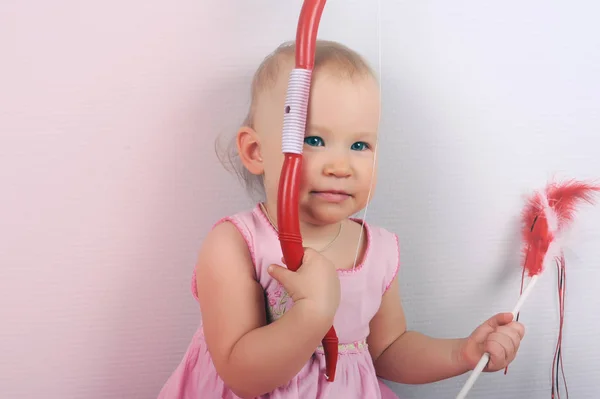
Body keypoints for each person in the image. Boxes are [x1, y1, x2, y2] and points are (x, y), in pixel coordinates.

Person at [157, 40, 525, 399]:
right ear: (256, 152)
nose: (341, 167)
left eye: (360, 146)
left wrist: (462, 354)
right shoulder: (236, 245)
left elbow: (388, 350)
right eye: (314, 140)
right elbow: (243, 377)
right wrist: (311, 314)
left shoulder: (377, 250)